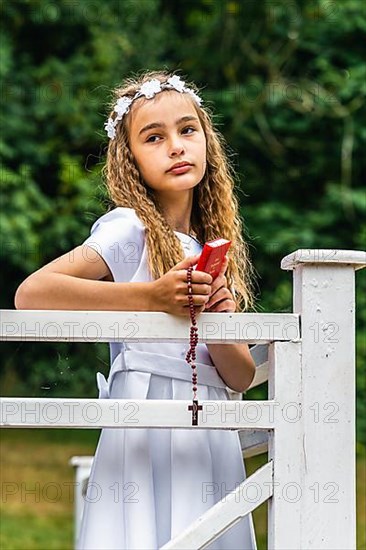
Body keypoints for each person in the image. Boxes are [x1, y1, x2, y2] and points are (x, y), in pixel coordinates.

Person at [15, 70, 257, 549]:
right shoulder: (131, 230)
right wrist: (149, 298)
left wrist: (219, 321)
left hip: (207, 427)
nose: (176, 146)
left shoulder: (211, 248)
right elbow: (33, 293)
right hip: (148, 419)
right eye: (154, 137)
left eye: (188, 130)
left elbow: (240, 377)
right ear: (131, 159)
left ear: (207, 141)